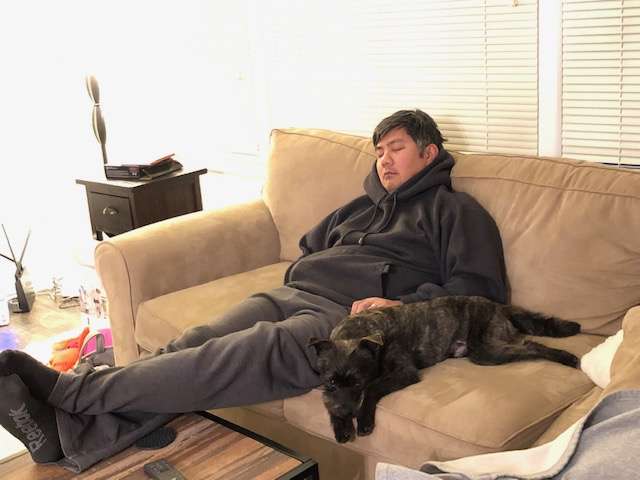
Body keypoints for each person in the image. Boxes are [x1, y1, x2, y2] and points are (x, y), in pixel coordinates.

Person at [0, 109, 508, 472]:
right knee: (193, 342)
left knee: (237, 354)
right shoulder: (360, 206)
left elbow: (481, 293)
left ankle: (74, 392)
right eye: (378, 151)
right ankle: (67, 437)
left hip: (351, 321)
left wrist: (400, 304)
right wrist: (306, 272)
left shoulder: (454, 212)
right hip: (298, 292)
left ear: (429, 152)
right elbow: (310, 246)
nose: (384, 160)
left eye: (396, 148)